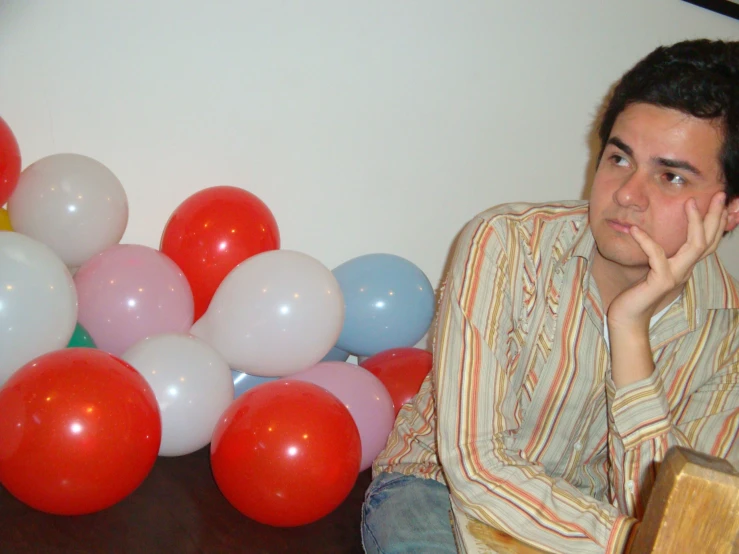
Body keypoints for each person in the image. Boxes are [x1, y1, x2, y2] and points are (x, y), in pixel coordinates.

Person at [361, 38, 739, 554]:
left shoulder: (728, 334)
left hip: (595, 528)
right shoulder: (506, 242)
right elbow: (476, 464)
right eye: (619, 158)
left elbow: (676, 514)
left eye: (670, 176)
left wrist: (629, 331)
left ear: (730, 212)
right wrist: (638, 542)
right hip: (437, 489)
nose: (627, 194)